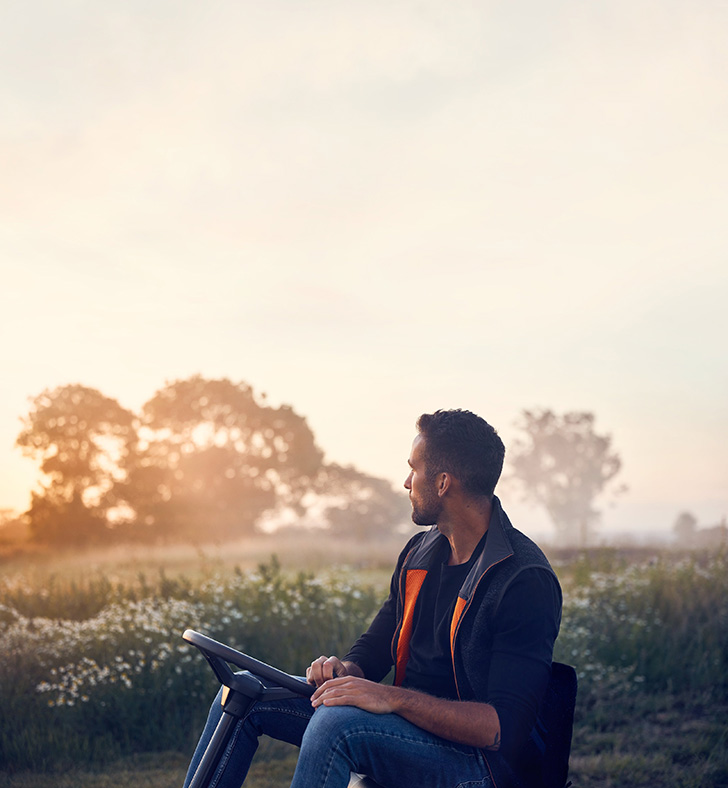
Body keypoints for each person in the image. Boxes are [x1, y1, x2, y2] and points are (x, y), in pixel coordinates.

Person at [183, 409, 562, 788]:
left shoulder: (524, 580)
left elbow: (499, 730)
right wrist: (345, 671)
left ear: (444, 482)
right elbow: (377, 646)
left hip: (479, 766)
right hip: (407, 731)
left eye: (414, 469)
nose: (406, 482)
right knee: (248, 691)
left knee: (337, 726)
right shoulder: (420, 553)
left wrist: (392, 698)